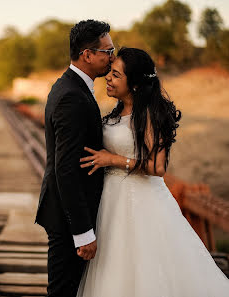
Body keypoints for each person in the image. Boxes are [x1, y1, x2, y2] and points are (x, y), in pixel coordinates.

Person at [77, 47, 229, 296]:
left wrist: (112, 159)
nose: (109, 78)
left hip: (143, 203)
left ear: (135, 85)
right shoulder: (116, 113)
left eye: (116, 75)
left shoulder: (149, 115)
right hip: (112, 203)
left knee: (147, 267)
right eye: (111, 73)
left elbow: (157, 168)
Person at [35, 19, 115, 297]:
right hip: (67, 219)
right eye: (107, 50)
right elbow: (66, 170)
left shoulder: (70, 86)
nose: (112, 56)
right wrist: (83, 233)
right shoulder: (72, 96)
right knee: (62, 291)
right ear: (88, 55)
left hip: (66, 213)